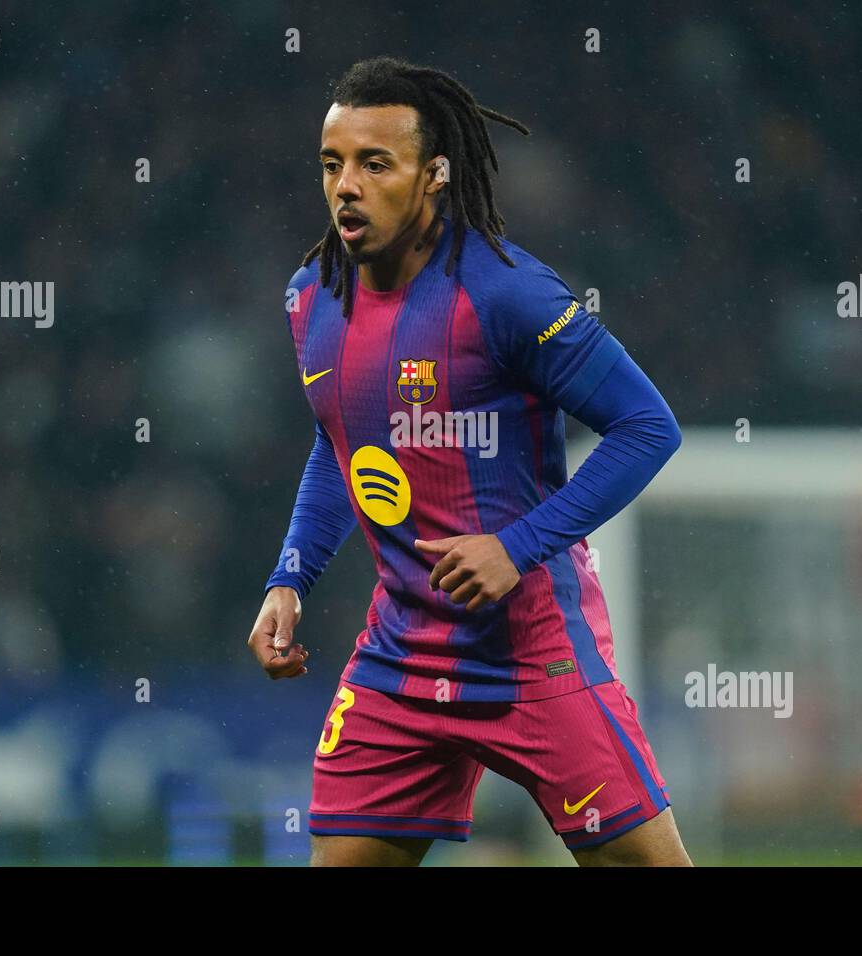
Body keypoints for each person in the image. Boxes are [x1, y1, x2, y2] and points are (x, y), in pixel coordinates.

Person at [248, 55, 691, 867]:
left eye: (375, 164)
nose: (346, 185)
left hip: (534, 656)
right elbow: (341, 441)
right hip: (401, 658)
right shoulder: (311, 295)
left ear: (435, 175)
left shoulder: (510, 294)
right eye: (332, 164)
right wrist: (291, 576)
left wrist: (515, 548)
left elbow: (646, 427)